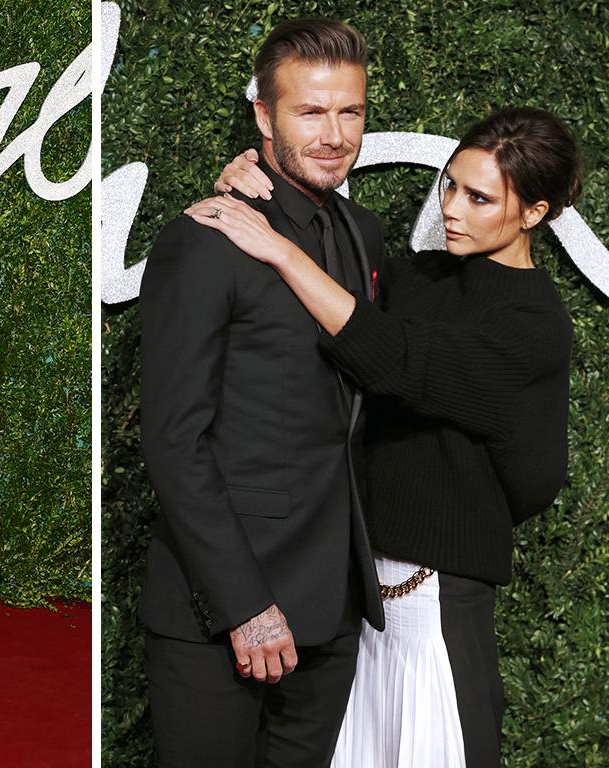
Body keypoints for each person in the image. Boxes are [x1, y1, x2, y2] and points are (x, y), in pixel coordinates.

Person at [190, 105, 577, 766]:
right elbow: (326, 306)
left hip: (438, 608)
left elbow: (397, 360)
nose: (452, 207)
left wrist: (278, 247)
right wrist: (253, 187)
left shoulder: (535, 323)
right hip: (357, 603)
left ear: (534, 214)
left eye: (479, 197)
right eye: (450, 184)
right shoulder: (415, 279)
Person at [138, 19, 385, 767]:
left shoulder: (364, 233)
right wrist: (245, 606)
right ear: (263, 116)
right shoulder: (207, 236)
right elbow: (173, 440)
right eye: (310, 112)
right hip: (223, 610)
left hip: (334, 602)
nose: (335, 134)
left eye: (350, 111)